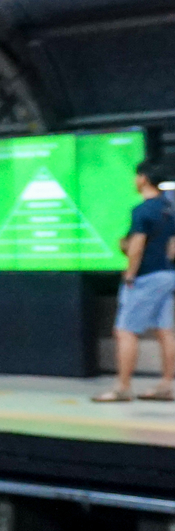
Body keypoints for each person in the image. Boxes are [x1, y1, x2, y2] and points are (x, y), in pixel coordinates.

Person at [95, 162, 175, 402]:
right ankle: (166, 385)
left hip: (146, 276)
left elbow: (136, 247)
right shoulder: (169, 208)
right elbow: (172, 248)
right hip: (167, 274)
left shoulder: (142, 210)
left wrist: (130, 273)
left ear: (143, 179)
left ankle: (123, 387)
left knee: (125, 331)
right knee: (165, 330)